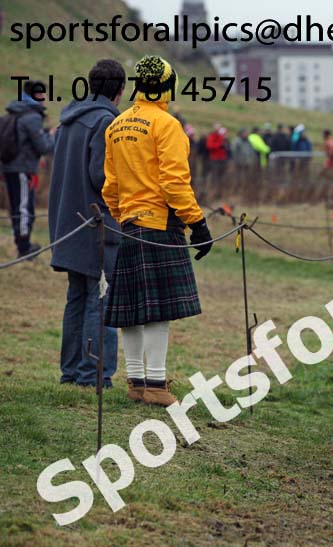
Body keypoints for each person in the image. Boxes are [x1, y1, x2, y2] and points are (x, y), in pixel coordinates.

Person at [102, 55, 213, 407]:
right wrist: (197, 223)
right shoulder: (166, 124)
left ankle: (135, 383)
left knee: (131, 310)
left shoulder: (116, 126)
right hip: (160, 223)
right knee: (157, 311)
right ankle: (156, 385)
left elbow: (110, 186)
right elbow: (174, 182)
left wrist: (123, 215)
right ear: (167, 86)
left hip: (129, 225)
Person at [48, 59, 125, 388]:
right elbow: (102, 176)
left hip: (69, 222)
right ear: (120, 91)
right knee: (102, 299)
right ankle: (93, 377)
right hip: (97, 224)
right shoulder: (107, 122)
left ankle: (71, 374)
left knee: (77, 298)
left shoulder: (68, 119)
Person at [3, 79, 55, 258]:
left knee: (18, 207)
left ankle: (22, 242)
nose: (44, 97)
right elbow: (44, 147)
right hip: (22, 169)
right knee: (24, 208)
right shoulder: (31, 116)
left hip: (12, 167)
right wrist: (52, 136)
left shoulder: (16, 111)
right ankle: (24, 247)